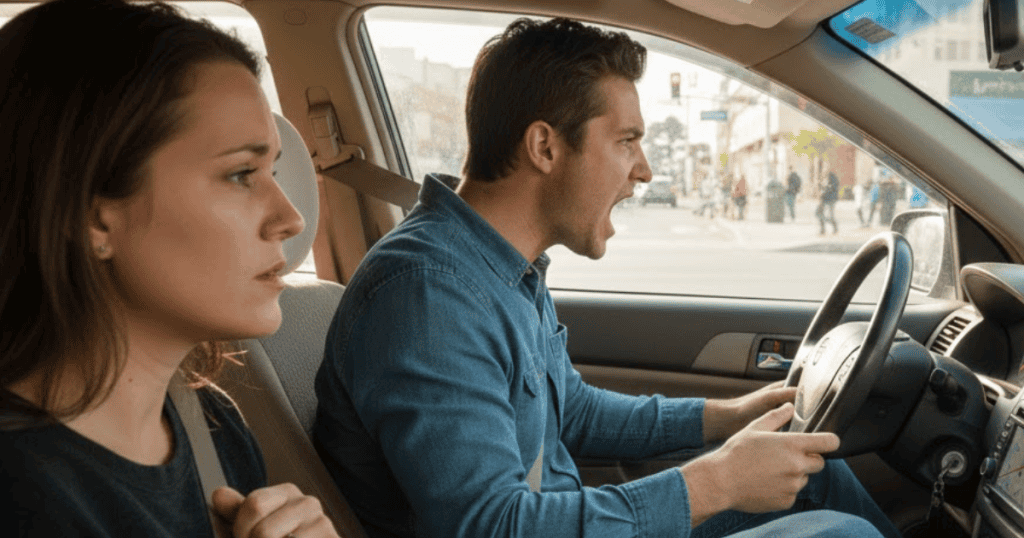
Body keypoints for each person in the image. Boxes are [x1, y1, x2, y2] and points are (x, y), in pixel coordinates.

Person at [313, 17, 900, 538]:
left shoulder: (500, 270)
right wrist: (715, 483)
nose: (643, 170)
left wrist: (730, 416)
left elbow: (575, 413)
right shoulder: (428, 294)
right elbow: (490, 526)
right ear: (545, 145)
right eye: (626, 142)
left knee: (815, 474)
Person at [0, 1, 339, 536]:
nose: (290, 218)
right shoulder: (21, 496)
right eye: (239, 174)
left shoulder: (210, 423)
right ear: (93, 216)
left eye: (272, 170)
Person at [816, 171, 840, 235]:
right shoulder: (831, 182)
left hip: (827, 200)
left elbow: (828, 190)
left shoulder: (832, 182)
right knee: (820, 214)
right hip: (826, 200)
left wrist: (822, 187)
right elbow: (827, 189)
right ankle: (824, 229)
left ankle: (827, 228)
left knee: (825, 215)